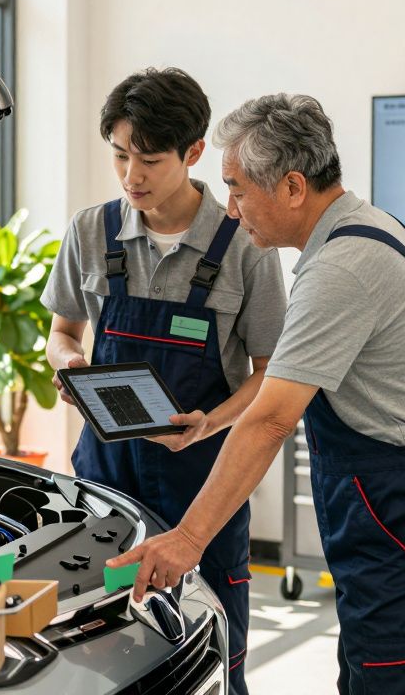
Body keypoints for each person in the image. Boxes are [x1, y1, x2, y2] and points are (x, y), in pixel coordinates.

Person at [107, 93, 405, 694]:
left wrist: (188, 539)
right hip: (404, 518)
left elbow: (271, 420)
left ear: (291, 187)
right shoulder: (369, 227)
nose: (232, 211)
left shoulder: (341, 268)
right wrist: (211, 424)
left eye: (237, 190)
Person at [41, 68, 286, 694]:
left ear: (194, 152)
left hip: (202, 483)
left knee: (209, 654)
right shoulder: (90, 231)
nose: (132, 176)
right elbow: (62, 334)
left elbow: (271, 375)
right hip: (105, 483)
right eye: (120, 155)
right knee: (101, 654)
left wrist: (211, 422)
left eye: (149, 160)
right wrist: (69, 365)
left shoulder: (246, 245)